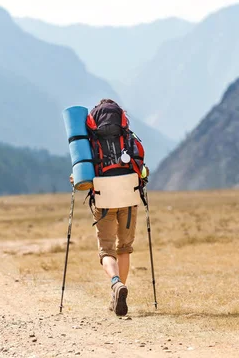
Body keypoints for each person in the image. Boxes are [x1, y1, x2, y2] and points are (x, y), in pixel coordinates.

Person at [72, 98, 149, 316]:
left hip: (104, 197)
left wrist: (74, 178)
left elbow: (83, 171)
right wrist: (143, 177)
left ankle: (116, 284)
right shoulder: (128, 137)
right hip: (128, 194)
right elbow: (141, 166)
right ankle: (118, 291)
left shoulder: (90, 140)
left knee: (106, 249)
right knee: (124, 247)